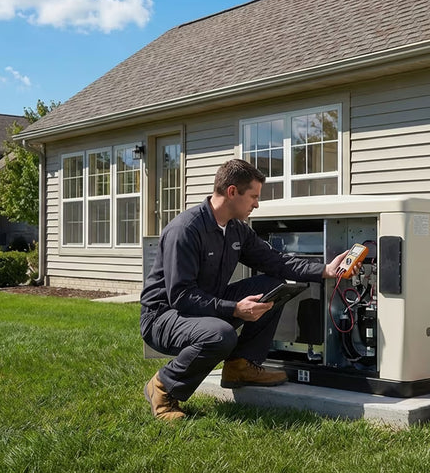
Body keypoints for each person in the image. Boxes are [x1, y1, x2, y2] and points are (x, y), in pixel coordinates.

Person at [140, 158, 353, 421]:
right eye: (253, 196)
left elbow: (276, 262)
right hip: (164, 316)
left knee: (273, 286)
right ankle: (163, 386)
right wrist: (235, 309)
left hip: (204, 304)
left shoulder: (236, 230)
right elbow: (181, 297)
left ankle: (240, 366)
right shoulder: (186, 230)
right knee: (221, 335)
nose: (256, 204)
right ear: (232, 192)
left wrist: (325, 270)